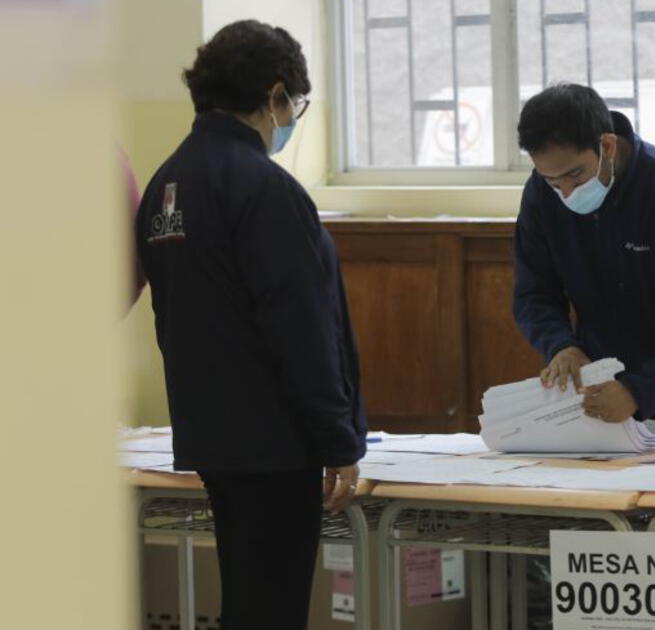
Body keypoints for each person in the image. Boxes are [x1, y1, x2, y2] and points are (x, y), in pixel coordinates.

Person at [135, 20, 366, 630]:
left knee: (247, 599)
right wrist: (338, 439)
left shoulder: (167, 183)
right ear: (274, 96)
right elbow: (302, 328)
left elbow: (169, 316)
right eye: (295, 102)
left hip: (212, 432)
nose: (292, 116)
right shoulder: (264, 188)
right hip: (275, 440)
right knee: (272, 607)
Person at [512, 83, 655, 629]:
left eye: (575, 176)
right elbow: (532, 294)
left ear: (607, 146)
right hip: (597, 421)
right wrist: (560, 345)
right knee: (602, 569)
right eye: (551, 180)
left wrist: (637, 391)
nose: (564, 191)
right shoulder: (543, 193)